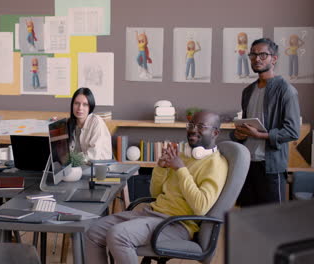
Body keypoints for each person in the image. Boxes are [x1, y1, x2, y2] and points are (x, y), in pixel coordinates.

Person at [85, 112, 228, 264]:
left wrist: (181, 170)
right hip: (152, 214)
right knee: (94, 231)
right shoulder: (184, 155)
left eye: (201, 127)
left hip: (177, 225)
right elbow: (156, 193)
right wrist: (160, 168)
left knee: (119, 235)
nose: (193, 130)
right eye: (191, 125)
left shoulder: (216, 165)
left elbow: (200, 207)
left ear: (215, 132)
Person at [232, 38, 300, 207]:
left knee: (272, 220)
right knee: (247, 217)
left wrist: (260, 135)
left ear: (274, 59)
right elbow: (247, 126)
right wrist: (239, 134)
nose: (257, 58)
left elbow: (292, 131)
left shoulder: (286, 90)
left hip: (270, 167)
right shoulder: (247, 91)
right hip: (247, 163)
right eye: (253, 54)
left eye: (263, 54)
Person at [67, 87, 112, 160]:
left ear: (90, 107)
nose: (80, 108)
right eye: (76, 103)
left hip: (98, 167)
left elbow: (93, 155)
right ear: (72, 105)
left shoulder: (96, 122)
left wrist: (71, 159)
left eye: (85, 104)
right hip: (80, 166)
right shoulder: (71, 123)